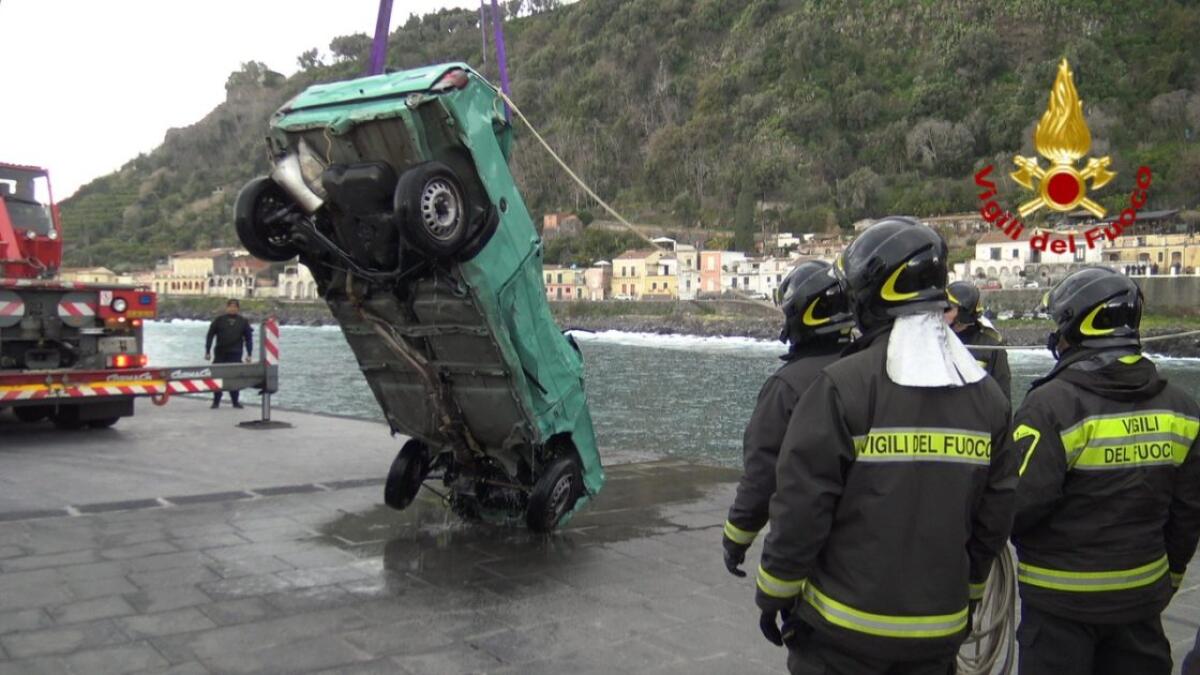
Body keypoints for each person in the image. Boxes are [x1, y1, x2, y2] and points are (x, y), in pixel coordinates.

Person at [755, 217, 1017, 675]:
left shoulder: (840, 387)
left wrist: (773, 592)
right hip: (939, 633)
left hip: (841, 633)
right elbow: (994, 517)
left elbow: (801, 505)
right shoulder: (987, 397)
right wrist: (970, 590)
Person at [1007, 267, 1200, 675]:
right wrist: (1168, 578)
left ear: (1077, 326)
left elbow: (1017, 507)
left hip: (1059, 606)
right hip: (1142, 602)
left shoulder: (1049, 407)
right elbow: (1187, 514)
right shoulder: (1182, 407)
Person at [722, 260, 854, 577]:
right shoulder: (873, 371)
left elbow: (762, 473)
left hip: (821, 559)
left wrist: (736, 537)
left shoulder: (787, 387)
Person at [946, 280, 1011, 400]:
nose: (941, 312)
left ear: (963, 315)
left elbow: (1002, 396)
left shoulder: (992, 347)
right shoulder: (936, 340)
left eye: (947, 308)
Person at [205, 299, 253, 409]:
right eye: (230, 307)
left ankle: (235, 401)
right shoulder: (219, 320)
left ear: (238, 309)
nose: (232, 309)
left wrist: (249, 354)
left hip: (235, 354)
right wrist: (207, 350)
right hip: (220, 353)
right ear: (227, 308)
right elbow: (210, 335)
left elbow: (248, 339)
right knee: (217, 377)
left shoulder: (243, 322)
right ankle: (216, 401)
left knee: (234, 378)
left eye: (235, 307)